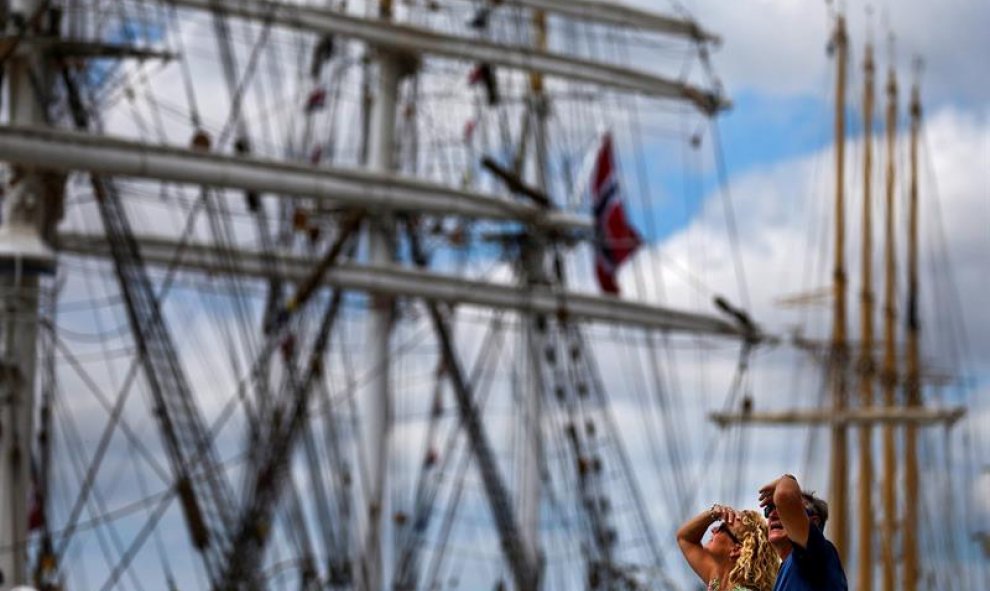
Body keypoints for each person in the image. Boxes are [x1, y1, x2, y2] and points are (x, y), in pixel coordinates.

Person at [757, 474, 848, 590]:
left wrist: (787, 479)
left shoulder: (818, 554)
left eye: (783, 509)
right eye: (769, 509)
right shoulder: (785, 572)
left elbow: (785, 494)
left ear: (814, 522)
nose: (772, 514)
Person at [676, 503, 780, 591]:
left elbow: (685, 539)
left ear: (736, 549)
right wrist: (713, 514)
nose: (713, 529)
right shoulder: (716, 579)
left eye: (722, 528)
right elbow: (685, 538)